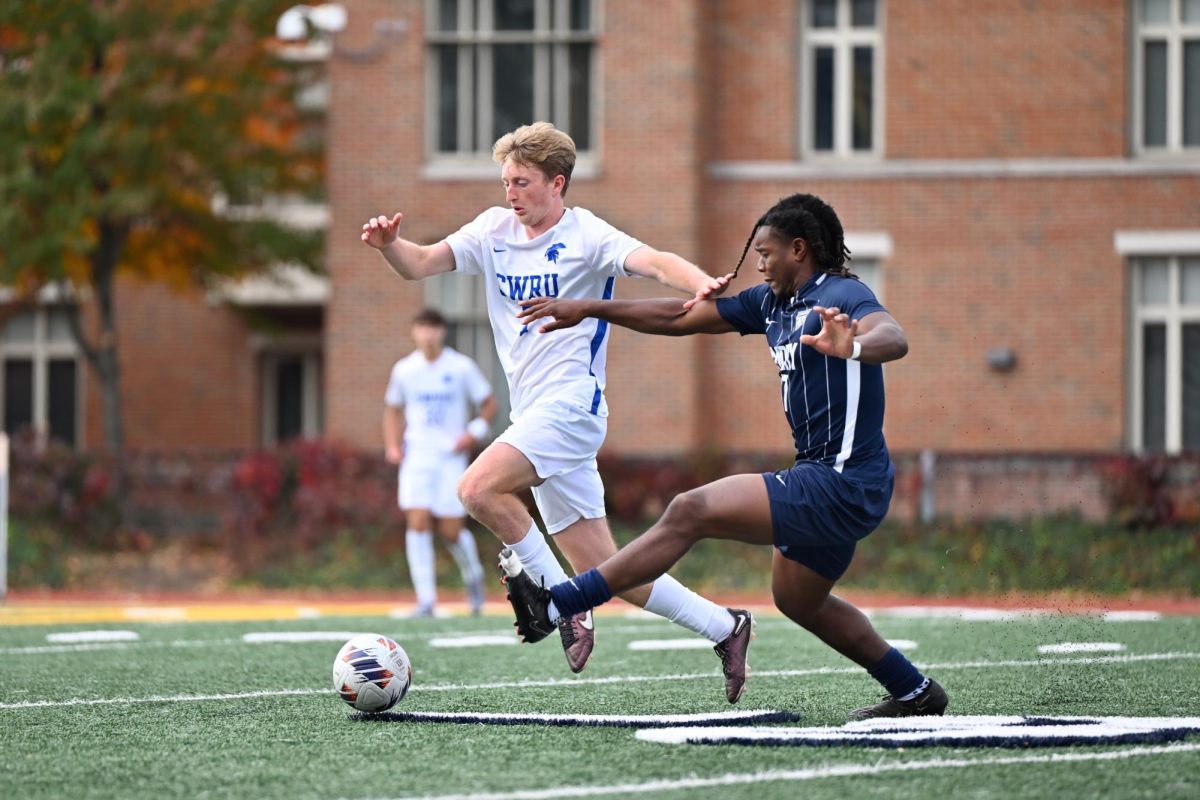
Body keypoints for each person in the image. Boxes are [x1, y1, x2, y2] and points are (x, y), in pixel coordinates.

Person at [503, 192, 949, 719]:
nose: (758, 264)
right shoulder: (770, 303)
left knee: (691, 510)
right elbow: (678, 318)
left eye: (766, 252)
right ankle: (916, 691)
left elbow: (892, 337)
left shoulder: (843, 293)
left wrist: (853, 346)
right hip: (823, 476)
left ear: (799, 249)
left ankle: (559, 603)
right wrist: (589, 308)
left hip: (843, 481)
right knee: (797, 600)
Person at [361, 121, 749, 685]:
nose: (510, 193)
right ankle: (726, 627)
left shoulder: (587, 235)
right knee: (607, 569)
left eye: (521, 182)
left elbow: (655, 260)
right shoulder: (492, 230)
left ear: (557, 184)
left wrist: (699, 282)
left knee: (476, 488)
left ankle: (562, 604)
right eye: (506, 182)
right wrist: (389, 245)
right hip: (534, 415)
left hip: (573, 406)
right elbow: (420, 263)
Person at [384, 308, 497, 616]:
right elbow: (393, 408)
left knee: (450, 530)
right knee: (417, 522)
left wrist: (472, 433)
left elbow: (488, 404)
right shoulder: (404, 370)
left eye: (433, 327)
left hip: (450, 458)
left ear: (442, 332)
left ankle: (472, 576)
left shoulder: (460, 367)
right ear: (413, 332)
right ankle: (426, 600)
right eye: (422, 327)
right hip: (417, 456)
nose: (428, 334)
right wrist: (393, 446)